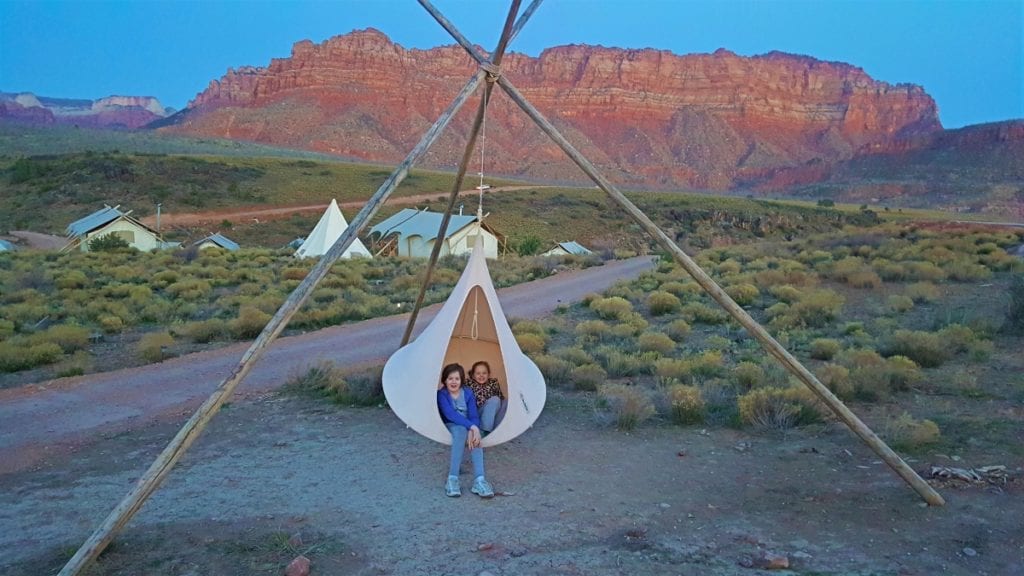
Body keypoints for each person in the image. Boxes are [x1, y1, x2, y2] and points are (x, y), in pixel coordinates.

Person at [437, 363, 494, 498]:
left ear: (461, 380)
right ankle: (452, 479)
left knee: (475, 435)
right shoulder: (442, 394)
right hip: (451, 424)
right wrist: (471, 426)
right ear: (445, 380)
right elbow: (450, 414)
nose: (454, 382)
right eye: (450, 378)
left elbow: (473, 415)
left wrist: (473, 429)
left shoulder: (467, 392)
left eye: (457, 378)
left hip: (467, 424)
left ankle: (479, 481)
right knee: (461, 431)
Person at [468, 360, 507, 434]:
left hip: (489, 415)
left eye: (484, 373)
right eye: (478, 373)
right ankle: (483, 430)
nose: (481, 375)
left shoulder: (493, 382)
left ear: (488, 374)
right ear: (473, 375)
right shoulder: (468, 383)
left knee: (500, 401)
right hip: (475, 413)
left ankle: (487, 430)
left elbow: (500, 398)